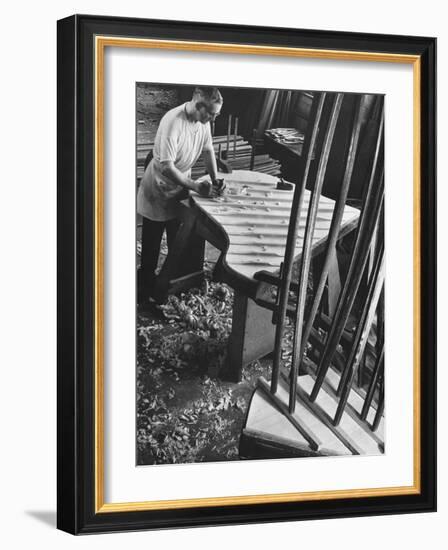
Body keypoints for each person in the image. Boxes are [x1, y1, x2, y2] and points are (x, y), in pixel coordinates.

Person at [137, 86, 223, 310]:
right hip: (157, 189)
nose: (214, 118)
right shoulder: (173, 121)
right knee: (151, 250)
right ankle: (144, 295)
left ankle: (167, 286)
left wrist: (215, 180)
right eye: (212, 113)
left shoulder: (203, 123)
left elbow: (208, 150)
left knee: (178, 242)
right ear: (198, 106)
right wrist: (195, 185)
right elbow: (166, 168)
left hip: (180, 189)